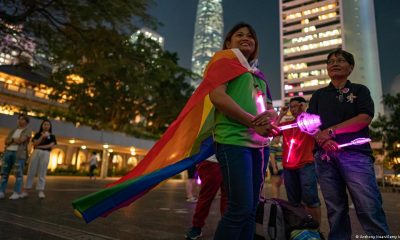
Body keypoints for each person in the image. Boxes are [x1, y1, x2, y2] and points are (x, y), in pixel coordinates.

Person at [308, 48, 390, 239]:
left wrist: (329, 132)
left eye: (340, 60)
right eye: (330, 61)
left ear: (350, 67)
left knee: (368, 206)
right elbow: (309, 122)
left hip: (355, 155)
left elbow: (363, 118)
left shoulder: (359, 90)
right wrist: (322, 139)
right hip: (325, 157)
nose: (334, 63)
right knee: (335, 209)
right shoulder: (319, 95)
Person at [209, 22, 277, 240]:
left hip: (260, 147)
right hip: (233, 142)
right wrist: (252, 122)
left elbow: (268, 107)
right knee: (239, 208)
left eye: (250, 35)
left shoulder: (258, 74)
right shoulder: (224, 63)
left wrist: (272, 117)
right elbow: (217, 96)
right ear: (228, 42)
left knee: (252, 209)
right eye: (239, 35)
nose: (246, 38)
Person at [277, 97, 321, 225]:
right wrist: (281, 114)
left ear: (303, 106)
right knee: (293, 202)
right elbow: (271, 130)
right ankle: (300, 228)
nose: (293, 109)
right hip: (288, 167)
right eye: (291, 106)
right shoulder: (287, 125)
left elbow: (317, 131)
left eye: (297, 106)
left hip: (306, 165)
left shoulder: (309, 121)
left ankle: (316, 231)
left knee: (311, 200)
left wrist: (305, 111)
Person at [185, 155, 228, 240]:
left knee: (229, 198)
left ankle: (227, 227)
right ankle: (197, 226)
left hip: (231, 161)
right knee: (206, 196)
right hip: (211, 160)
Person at [21, 119, 57, 199]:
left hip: (46, 153)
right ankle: (26, 190)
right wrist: (42, 136)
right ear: (42, 126)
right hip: (36, 152)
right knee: (31, 170)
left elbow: (51, 145)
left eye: (48, 124)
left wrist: (40, 146)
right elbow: (35, 143)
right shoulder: (37, 134)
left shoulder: (52, 136)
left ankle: (40, 191)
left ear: (50, 126)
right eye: (44, 124)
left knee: (42, 171)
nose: (46, 126)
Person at [0, 114, 31, 200]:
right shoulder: (13, 130)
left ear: (26, 122)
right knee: (4, 173)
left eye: (22, 119)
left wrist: (12, 140)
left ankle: (16, 192)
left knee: (18, 174)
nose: (19, 121)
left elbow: (21, 140)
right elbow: (6, 141)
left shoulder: (28, 131)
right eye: (19, 119)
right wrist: (13, 140)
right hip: (8, 152)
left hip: (19, 154)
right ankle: (1, 191)